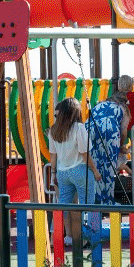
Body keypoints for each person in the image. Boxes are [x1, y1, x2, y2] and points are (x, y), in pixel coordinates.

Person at [46, 97, 96, 248]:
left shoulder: (54, 130)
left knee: (63, 207)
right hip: (80, 170)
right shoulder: (79, 128)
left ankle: (56, 239)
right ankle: (85, 238)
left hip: (62, 172)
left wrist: (53, 173)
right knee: (87, 206)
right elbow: (84, 154)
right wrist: (95, 171)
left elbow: (53, 155)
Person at [86, 75, 134, 204]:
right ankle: (106, 200)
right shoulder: (123, 109)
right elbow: (123, 132)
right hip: (109, 132)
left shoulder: (102, 104)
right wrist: (121, 145)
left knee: (94, 165)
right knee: (108, 167)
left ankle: (94, 200)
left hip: (90, 129)